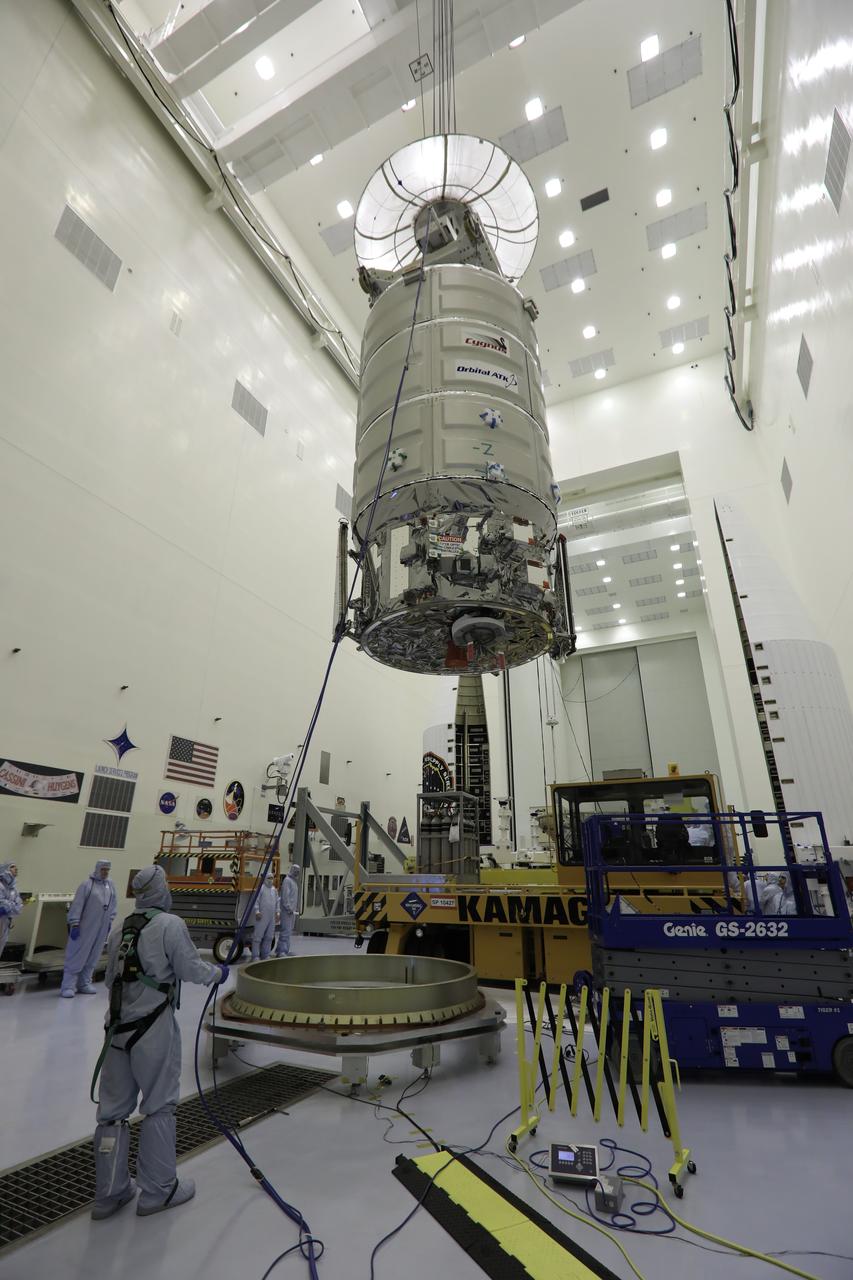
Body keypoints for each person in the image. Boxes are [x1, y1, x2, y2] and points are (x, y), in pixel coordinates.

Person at [92, 864, 227, 1220]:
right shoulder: (170, 925)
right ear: (161, 890)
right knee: (159, 1106)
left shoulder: (120, 927)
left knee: (111, 1112)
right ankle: (158, 1190)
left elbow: (108, 980)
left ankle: (109, 1194)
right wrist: (220, 973)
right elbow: (191, 968)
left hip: (116, 1032)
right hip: (152, 1029)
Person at [61, 860, 117, 997]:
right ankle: (68, 986)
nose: (105, 872)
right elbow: (78, 905)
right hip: (84, 927)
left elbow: (113, 904)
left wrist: (110, 920)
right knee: (78, 954)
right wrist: (74, 923)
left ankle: (84, 983)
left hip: (101, 928)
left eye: (107, 870)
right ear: (97, 869)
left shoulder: (110, 886)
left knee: (94, 955)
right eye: (103, 869)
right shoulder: (87, 885)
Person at [251, 871, 278, 961]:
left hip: (272, 917)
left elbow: (277, 902)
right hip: (262, 916)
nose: (270, 880)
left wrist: (278, 912)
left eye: (272, 878)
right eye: (268, 878)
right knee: (258, 936)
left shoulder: (274, 890)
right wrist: (257, 911)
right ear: (265, 879)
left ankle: (265, 954)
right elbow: (256, 901)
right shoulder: (261, 889)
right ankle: (255, 955)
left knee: (269, 936)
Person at [276, 865, 301, 957]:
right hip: (286, 911)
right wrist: (288, 908)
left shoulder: (294, 882)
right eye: (295, 870)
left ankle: (286, 950)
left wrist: (294, 909)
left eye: (298, 871)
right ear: (292, 870)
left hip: (291, 911)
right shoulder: (287, 881)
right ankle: (280, 951)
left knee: (289, 931)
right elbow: (285, 897)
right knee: (285, 931)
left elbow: (293, 898)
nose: (297, 872)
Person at [0, 862, 22, 961]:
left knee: (1, 944)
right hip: (1, 918)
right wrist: (11, 905)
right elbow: (1, 903)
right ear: (5, 870)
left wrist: (9, 906)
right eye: (12, 867)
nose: (16, 868)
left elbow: (19, 906)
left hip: (6, 920)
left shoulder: (13, 889)